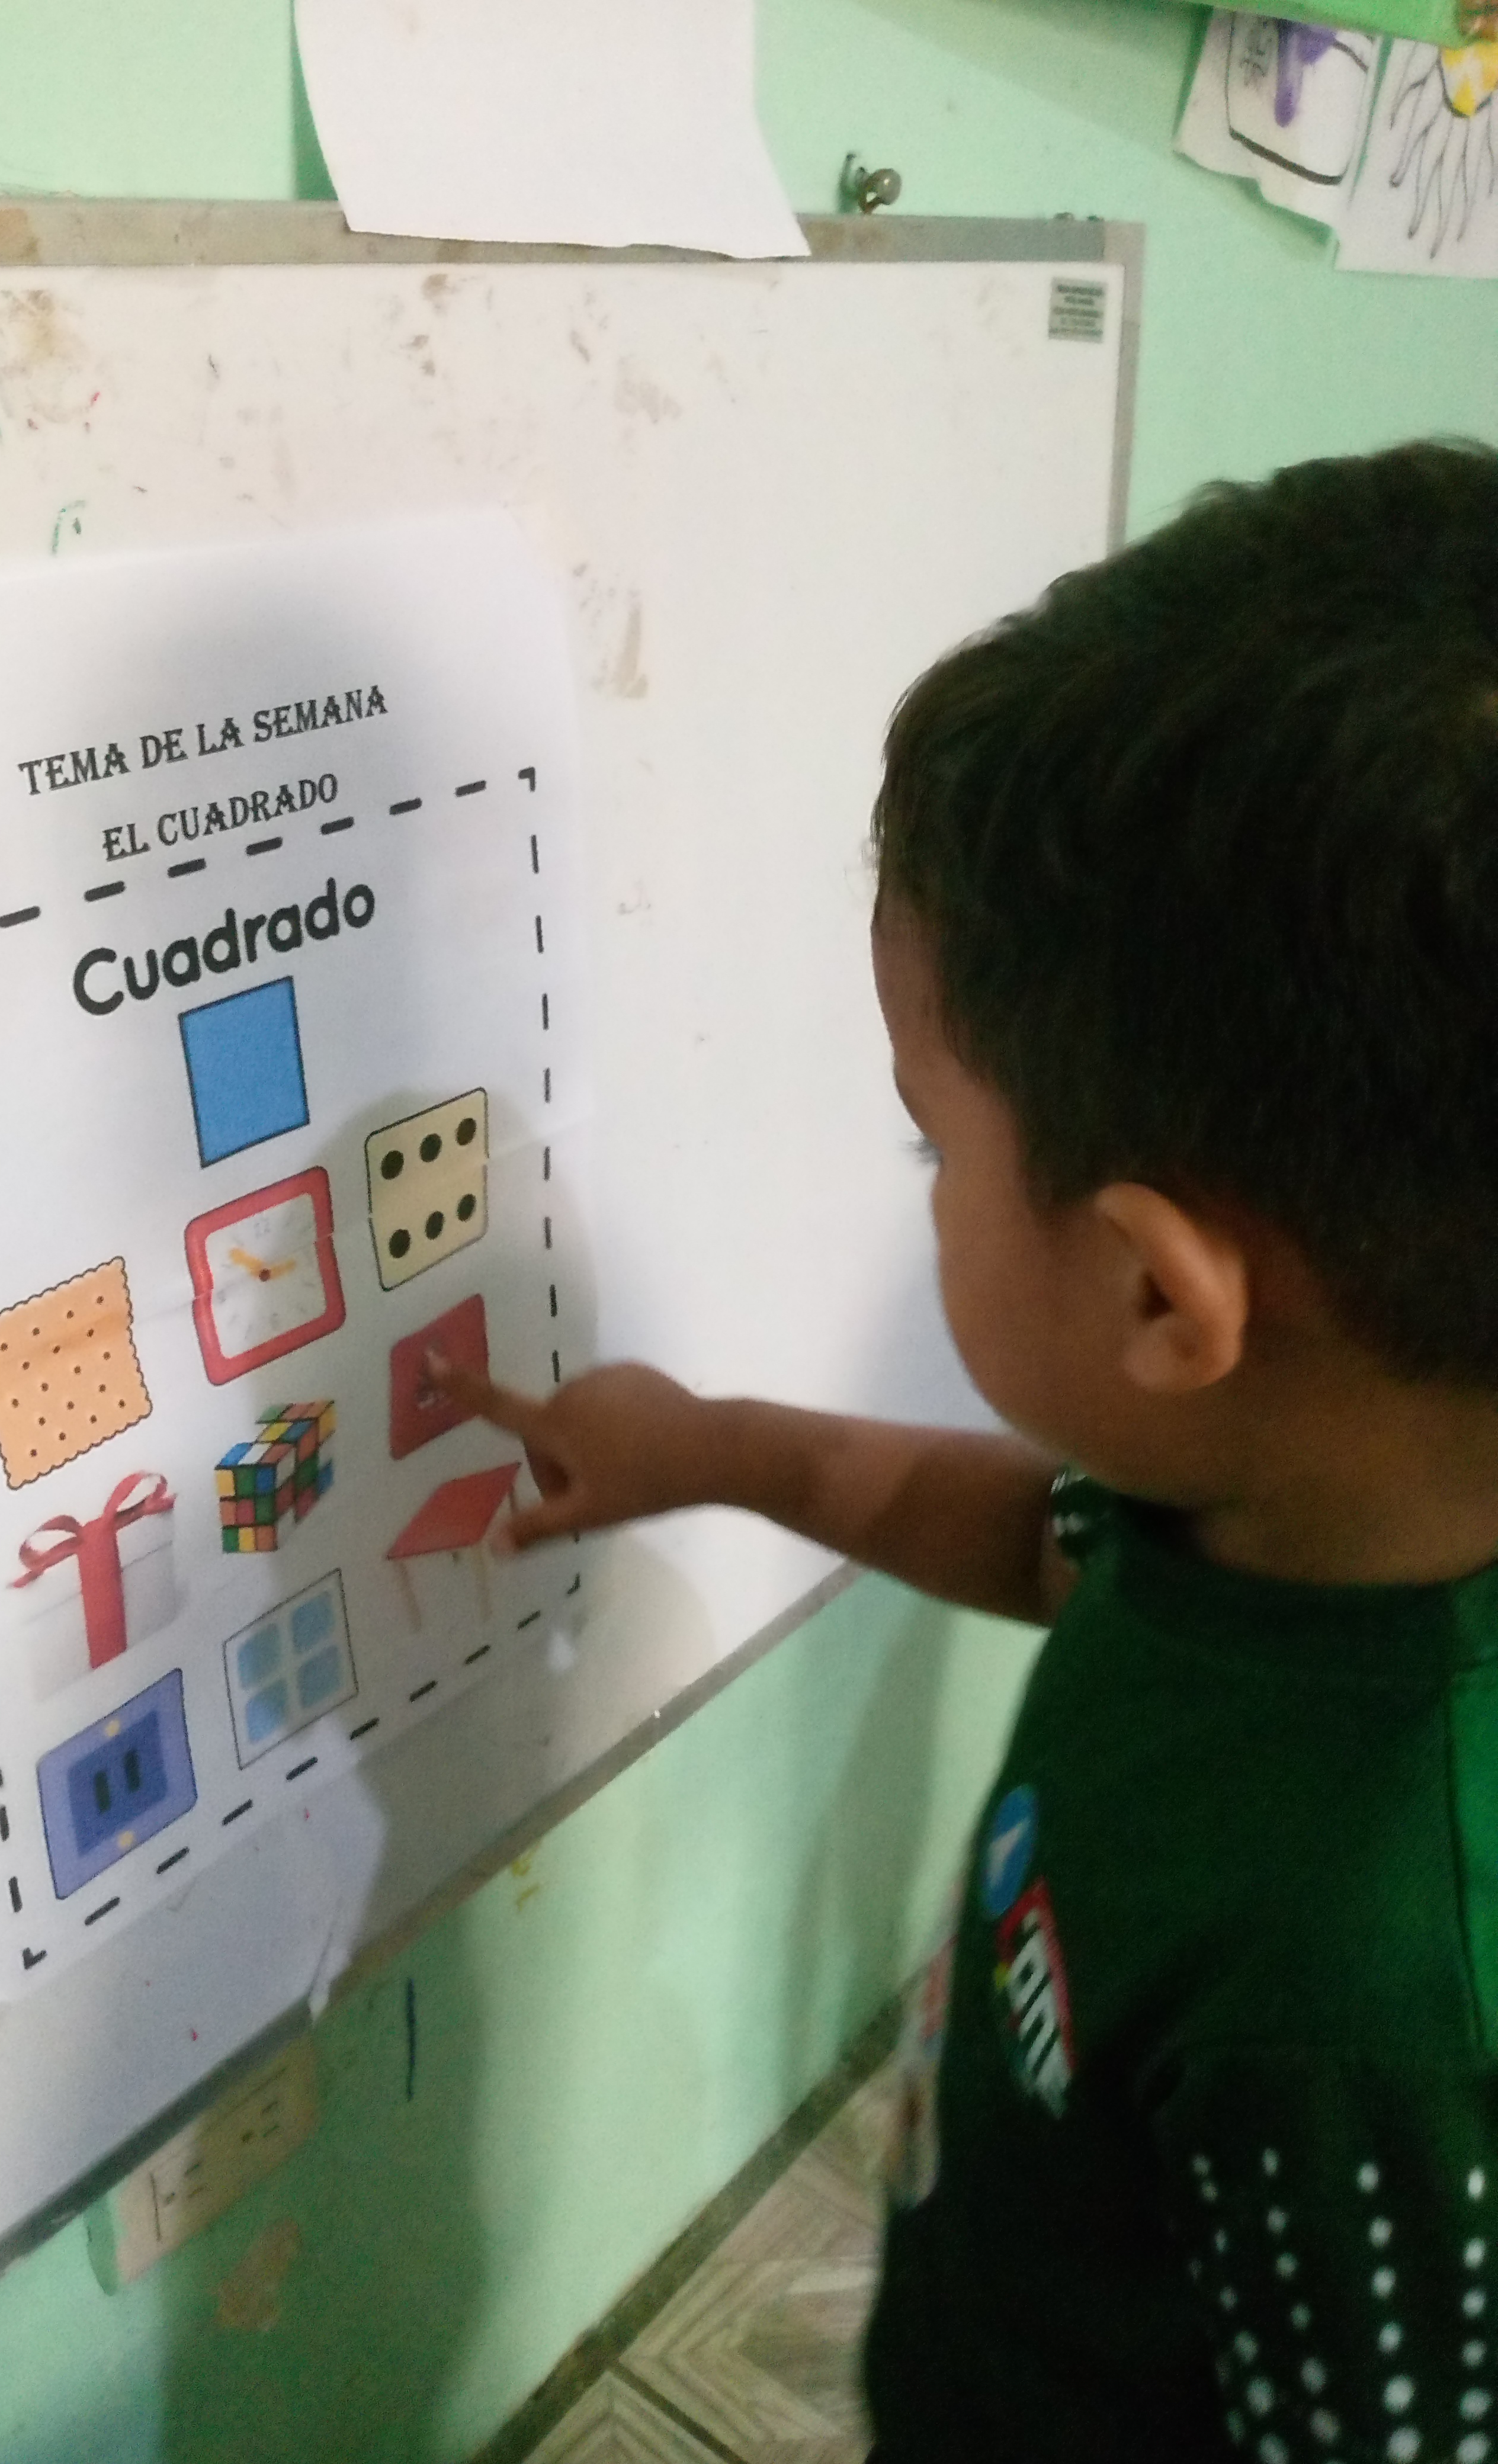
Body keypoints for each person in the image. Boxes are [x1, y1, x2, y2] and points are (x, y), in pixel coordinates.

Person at [434, 440, 1498, 2463]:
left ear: (1161, 1295)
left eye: (930, 1140)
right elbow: (1042, 1544)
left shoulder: (1384, 2013)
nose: (921, 1181)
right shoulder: (1289, 1510)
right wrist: (720, 1449)